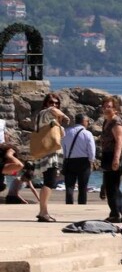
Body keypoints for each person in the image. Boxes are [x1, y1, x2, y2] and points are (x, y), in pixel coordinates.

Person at [30, 93, 68, 223]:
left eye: (57, 103)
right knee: (49, 182)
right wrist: (62, 115)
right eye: (51, 102)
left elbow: (61, 134)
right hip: (48, 155)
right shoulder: (45, 114)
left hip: (52, 154)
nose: (54, 105)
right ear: (46, 103)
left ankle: (43, 211)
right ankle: (43, 212)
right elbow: (53, 111)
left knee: (49, 183)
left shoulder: (53, 119)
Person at [99, 97, 122, 223]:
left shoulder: (116, 122)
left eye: (109, 106)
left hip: (115, 156)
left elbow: (120, 141)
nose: (106, 108)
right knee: (110, 185)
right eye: (105, 106)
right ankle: (115, 213)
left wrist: (116, 159)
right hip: (107, 155)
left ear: (115, 108)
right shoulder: (107, 121)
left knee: (112, 187)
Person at [61, 113, 96, 205]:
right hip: (83, 162)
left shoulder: (66, 132)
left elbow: (63, 148)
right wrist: (91, 161)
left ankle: (69, 205)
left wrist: (65, 160)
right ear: (83, 121)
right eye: (87, 121)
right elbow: (91, 150)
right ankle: (81, 206)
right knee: (83, 187)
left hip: (69, 161)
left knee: (69, 186)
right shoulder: (87, 134)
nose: (88, 123)